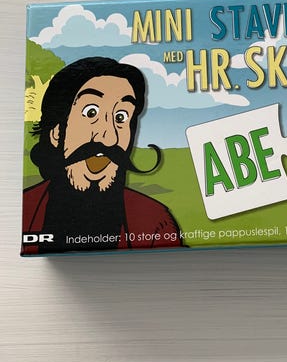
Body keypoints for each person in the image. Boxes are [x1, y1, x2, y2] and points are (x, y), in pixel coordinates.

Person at [22, 57, 182, 254]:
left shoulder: (156, 224)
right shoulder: (28, 210)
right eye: (91, 113)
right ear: (56, 132)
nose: (109, 138)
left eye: (121, 117)